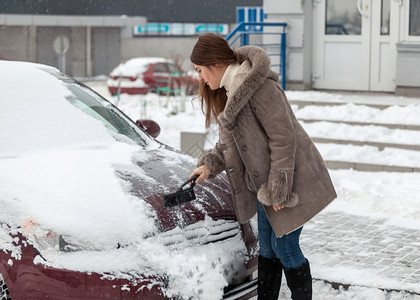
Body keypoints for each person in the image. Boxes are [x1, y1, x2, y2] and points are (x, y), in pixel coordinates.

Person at [189, 33, 337, 300]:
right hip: (261, 184)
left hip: (289, 180)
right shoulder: (230, 92)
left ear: (214, 64)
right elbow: (230, 146)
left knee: (285, 247)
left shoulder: (259, 88)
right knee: (267, 250)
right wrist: (210, 165)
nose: (199, 77)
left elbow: (284, 138)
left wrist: (279, 187)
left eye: (200, 70)